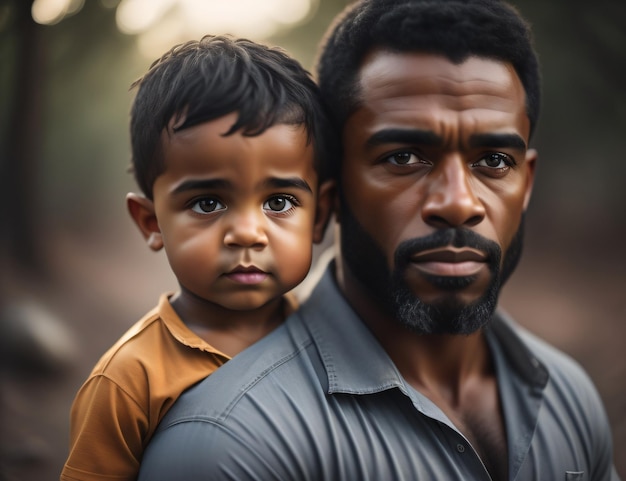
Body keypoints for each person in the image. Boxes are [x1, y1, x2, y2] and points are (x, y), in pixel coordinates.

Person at [137, 1, 621, 480]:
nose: (458, 203)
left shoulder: (568, 393)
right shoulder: (231, 445)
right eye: (405, 156)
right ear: (334, 188)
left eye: (493, 161)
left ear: (527, 184)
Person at [60, 35, 334, 481]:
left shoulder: (334, 345)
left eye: (279, 202)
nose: (247, 232)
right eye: (208, 203)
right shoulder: (129, 381)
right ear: (151, 222)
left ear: (319, 217)